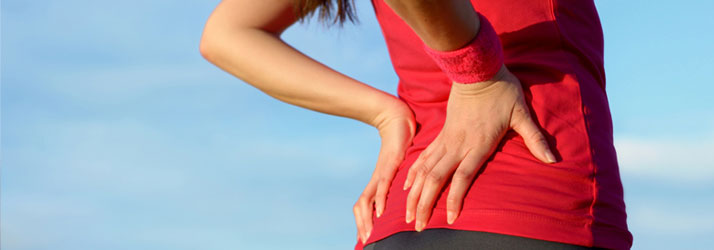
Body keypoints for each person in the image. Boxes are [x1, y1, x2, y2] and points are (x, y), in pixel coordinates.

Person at [199, 0, 633, 249]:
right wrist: (476, 72)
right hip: (536, 203)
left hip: (400, 218)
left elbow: (225, 34)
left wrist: (383, 112)